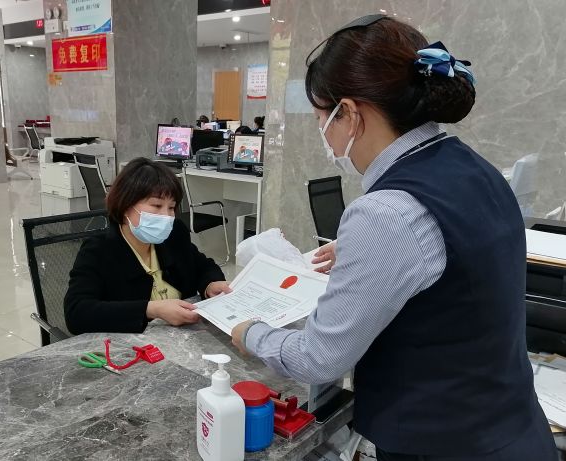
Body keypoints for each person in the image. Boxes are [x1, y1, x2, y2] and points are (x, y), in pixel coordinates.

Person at [231, 15, 558, 461]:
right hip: (512, 430)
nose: (323, 133)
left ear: (350, 114)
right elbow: (460, 255)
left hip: (442, 446)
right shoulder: (472, 167)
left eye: (322, 117)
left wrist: (251, 332)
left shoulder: (386, 214)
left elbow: (318, 358)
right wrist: (369, 254)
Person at [64, 157, 231, 334]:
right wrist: (151, 309)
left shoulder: (175, 234)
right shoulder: (98, 250)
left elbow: (204, 266)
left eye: (171, 208)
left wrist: (210, 284)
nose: (166, 216)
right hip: (130, 344)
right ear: (126, 205)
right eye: (157, 205)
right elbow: (76, 313)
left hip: (182, 338)